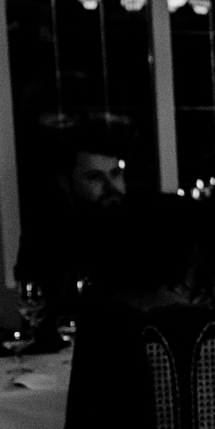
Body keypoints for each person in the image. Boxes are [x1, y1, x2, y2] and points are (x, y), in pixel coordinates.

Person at [14, 128, 131, 305]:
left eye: (115, 174)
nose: (110, 185)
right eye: (95, 177)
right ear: (65, 182)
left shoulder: (139, 226)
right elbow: (37, 294)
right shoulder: (47, 233)